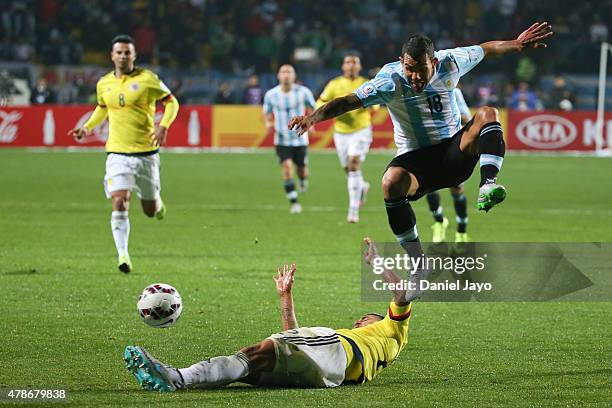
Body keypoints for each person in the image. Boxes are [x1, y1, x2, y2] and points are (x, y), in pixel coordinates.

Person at [289, 22, 553, 265]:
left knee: (488, 114)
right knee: (390, 183)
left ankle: (487, 185)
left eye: (421, 69)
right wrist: (312, 118)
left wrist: (516, 45)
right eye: (409, 69)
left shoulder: (451, 62)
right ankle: (419, 263)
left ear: (434, 62)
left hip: (453, 152)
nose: (415, 76)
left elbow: (486, 49)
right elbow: (348, 101)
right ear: (401, 62)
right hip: (417, 163)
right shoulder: (388, 80)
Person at [123, 237, 413, 391]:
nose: (359, 321)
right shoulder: (366, 342)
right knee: (252, 367)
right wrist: (286, 299)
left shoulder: (392, 330)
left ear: (383, 319)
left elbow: (400, 294)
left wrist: (377, 263)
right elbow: (293, 339)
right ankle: (180, 378)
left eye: (366, 318)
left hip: (338, 352)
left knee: (252, 354)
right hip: (330, 373)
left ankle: (175, 377)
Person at [68, 35, 179, 273]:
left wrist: (163, 126)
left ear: (134, 55)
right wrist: (87, 127)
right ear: (112, 55)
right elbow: (102, 107)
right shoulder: (104, 83)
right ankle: (123, 255)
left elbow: (172, 103)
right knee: (119, 199)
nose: (123, 56)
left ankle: (157, 205)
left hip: (146, 154)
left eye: (127, 52)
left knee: (149, 210)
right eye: (119, 52)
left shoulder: (148, 79)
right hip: (117, 152)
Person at [317, 52, 376, 223]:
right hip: (341, 132)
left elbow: (375, 104)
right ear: (343, 66)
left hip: (361, 130)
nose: (351, 65)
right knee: (349, 170)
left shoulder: (366, 84)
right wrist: (331, 109)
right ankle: (362, 187)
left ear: (359, 66)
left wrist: (362, 106)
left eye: (354, 62)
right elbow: (319, 102)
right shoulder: (334, 84)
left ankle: (353, 210)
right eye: (348, 62)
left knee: (353, 164)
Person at [263, 64, 316, 214]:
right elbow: (267, 112)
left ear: (294, 76)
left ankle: (303, 181)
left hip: (300, 138)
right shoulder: (271, 95)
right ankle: (294, 202)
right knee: (286, 169)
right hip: (281, 139)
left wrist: (311, 123)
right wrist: (268, 123)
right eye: (283, 72)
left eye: (289, 72)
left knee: (302, 170)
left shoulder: (303, 92)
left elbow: (312, 107)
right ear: (278, 76)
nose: (286, 75)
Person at [426, 86, 472, 244]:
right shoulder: (418, 92)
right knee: (428, 187)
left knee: (457, 189)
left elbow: (467, 118)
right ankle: (439, 222)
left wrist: (447, 114)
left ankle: (461, 232)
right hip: (429, 147)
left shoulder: (453, 91)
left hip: (452, 149)